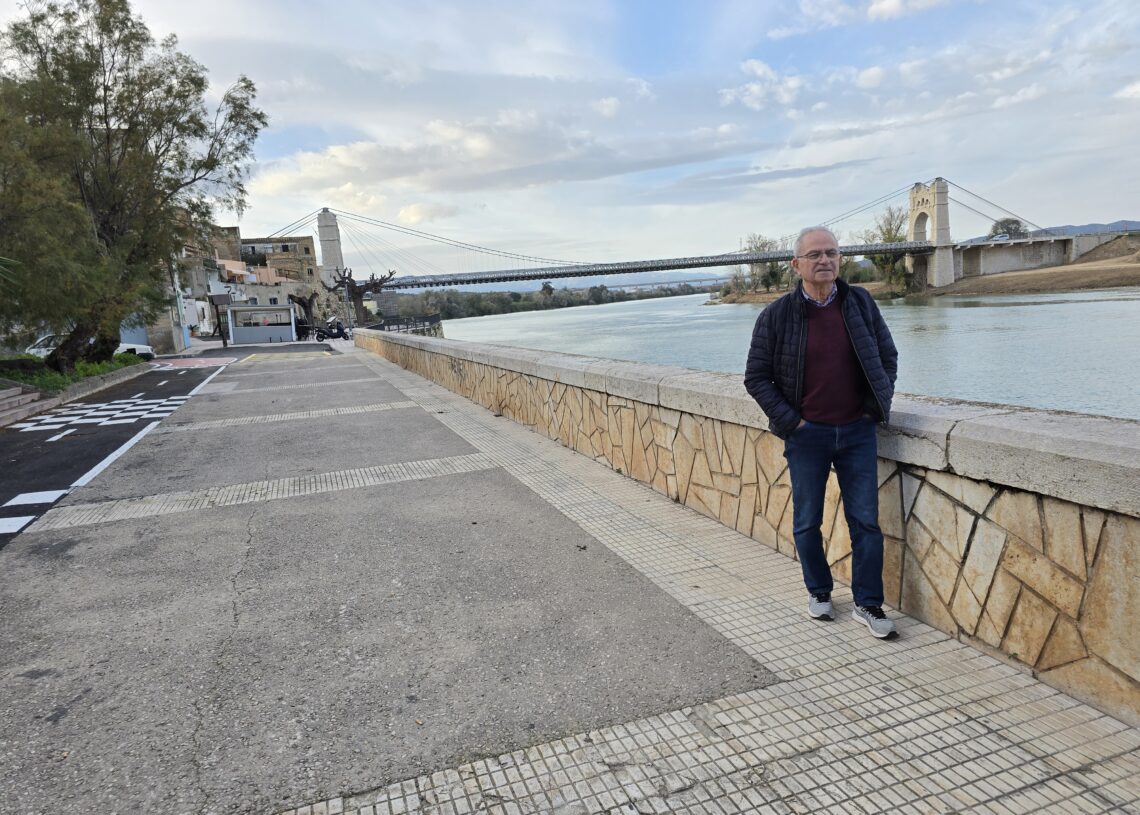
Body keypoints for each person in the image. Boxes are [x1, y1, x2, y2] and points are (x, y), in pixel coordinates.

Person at [744, 226, 899, 639]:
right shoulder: (776, 315)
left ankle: (868, 603)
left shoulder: (860, 303)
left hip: (857, 431)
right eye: (814, 255)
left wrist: (873, 408)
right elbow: (756, 378)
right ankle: (819, 590)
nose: (824, 260)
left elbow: (887, 356)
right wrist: (793, 423)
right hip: (807, 436)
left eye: (831, 252)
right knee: (807, 521)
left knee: (865, 522)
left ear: (840, 259)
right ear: (796, 265)